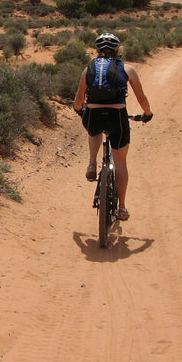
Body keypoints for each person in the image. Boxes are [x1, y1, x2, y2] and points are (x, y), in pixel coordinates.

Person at [72, 32, 152, 221]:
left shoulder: (88, 68)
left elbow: (78, 98)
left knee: (93, 128)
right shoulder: (127, 68)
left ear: (98, 50)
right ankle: (122, 208)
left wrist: (79, 111)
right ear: (117, 50)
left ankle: (92, 162)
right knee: (121, 163)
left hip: (94, 115)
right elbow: (142, 98)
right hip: (117, 116)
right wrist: (147, 114)